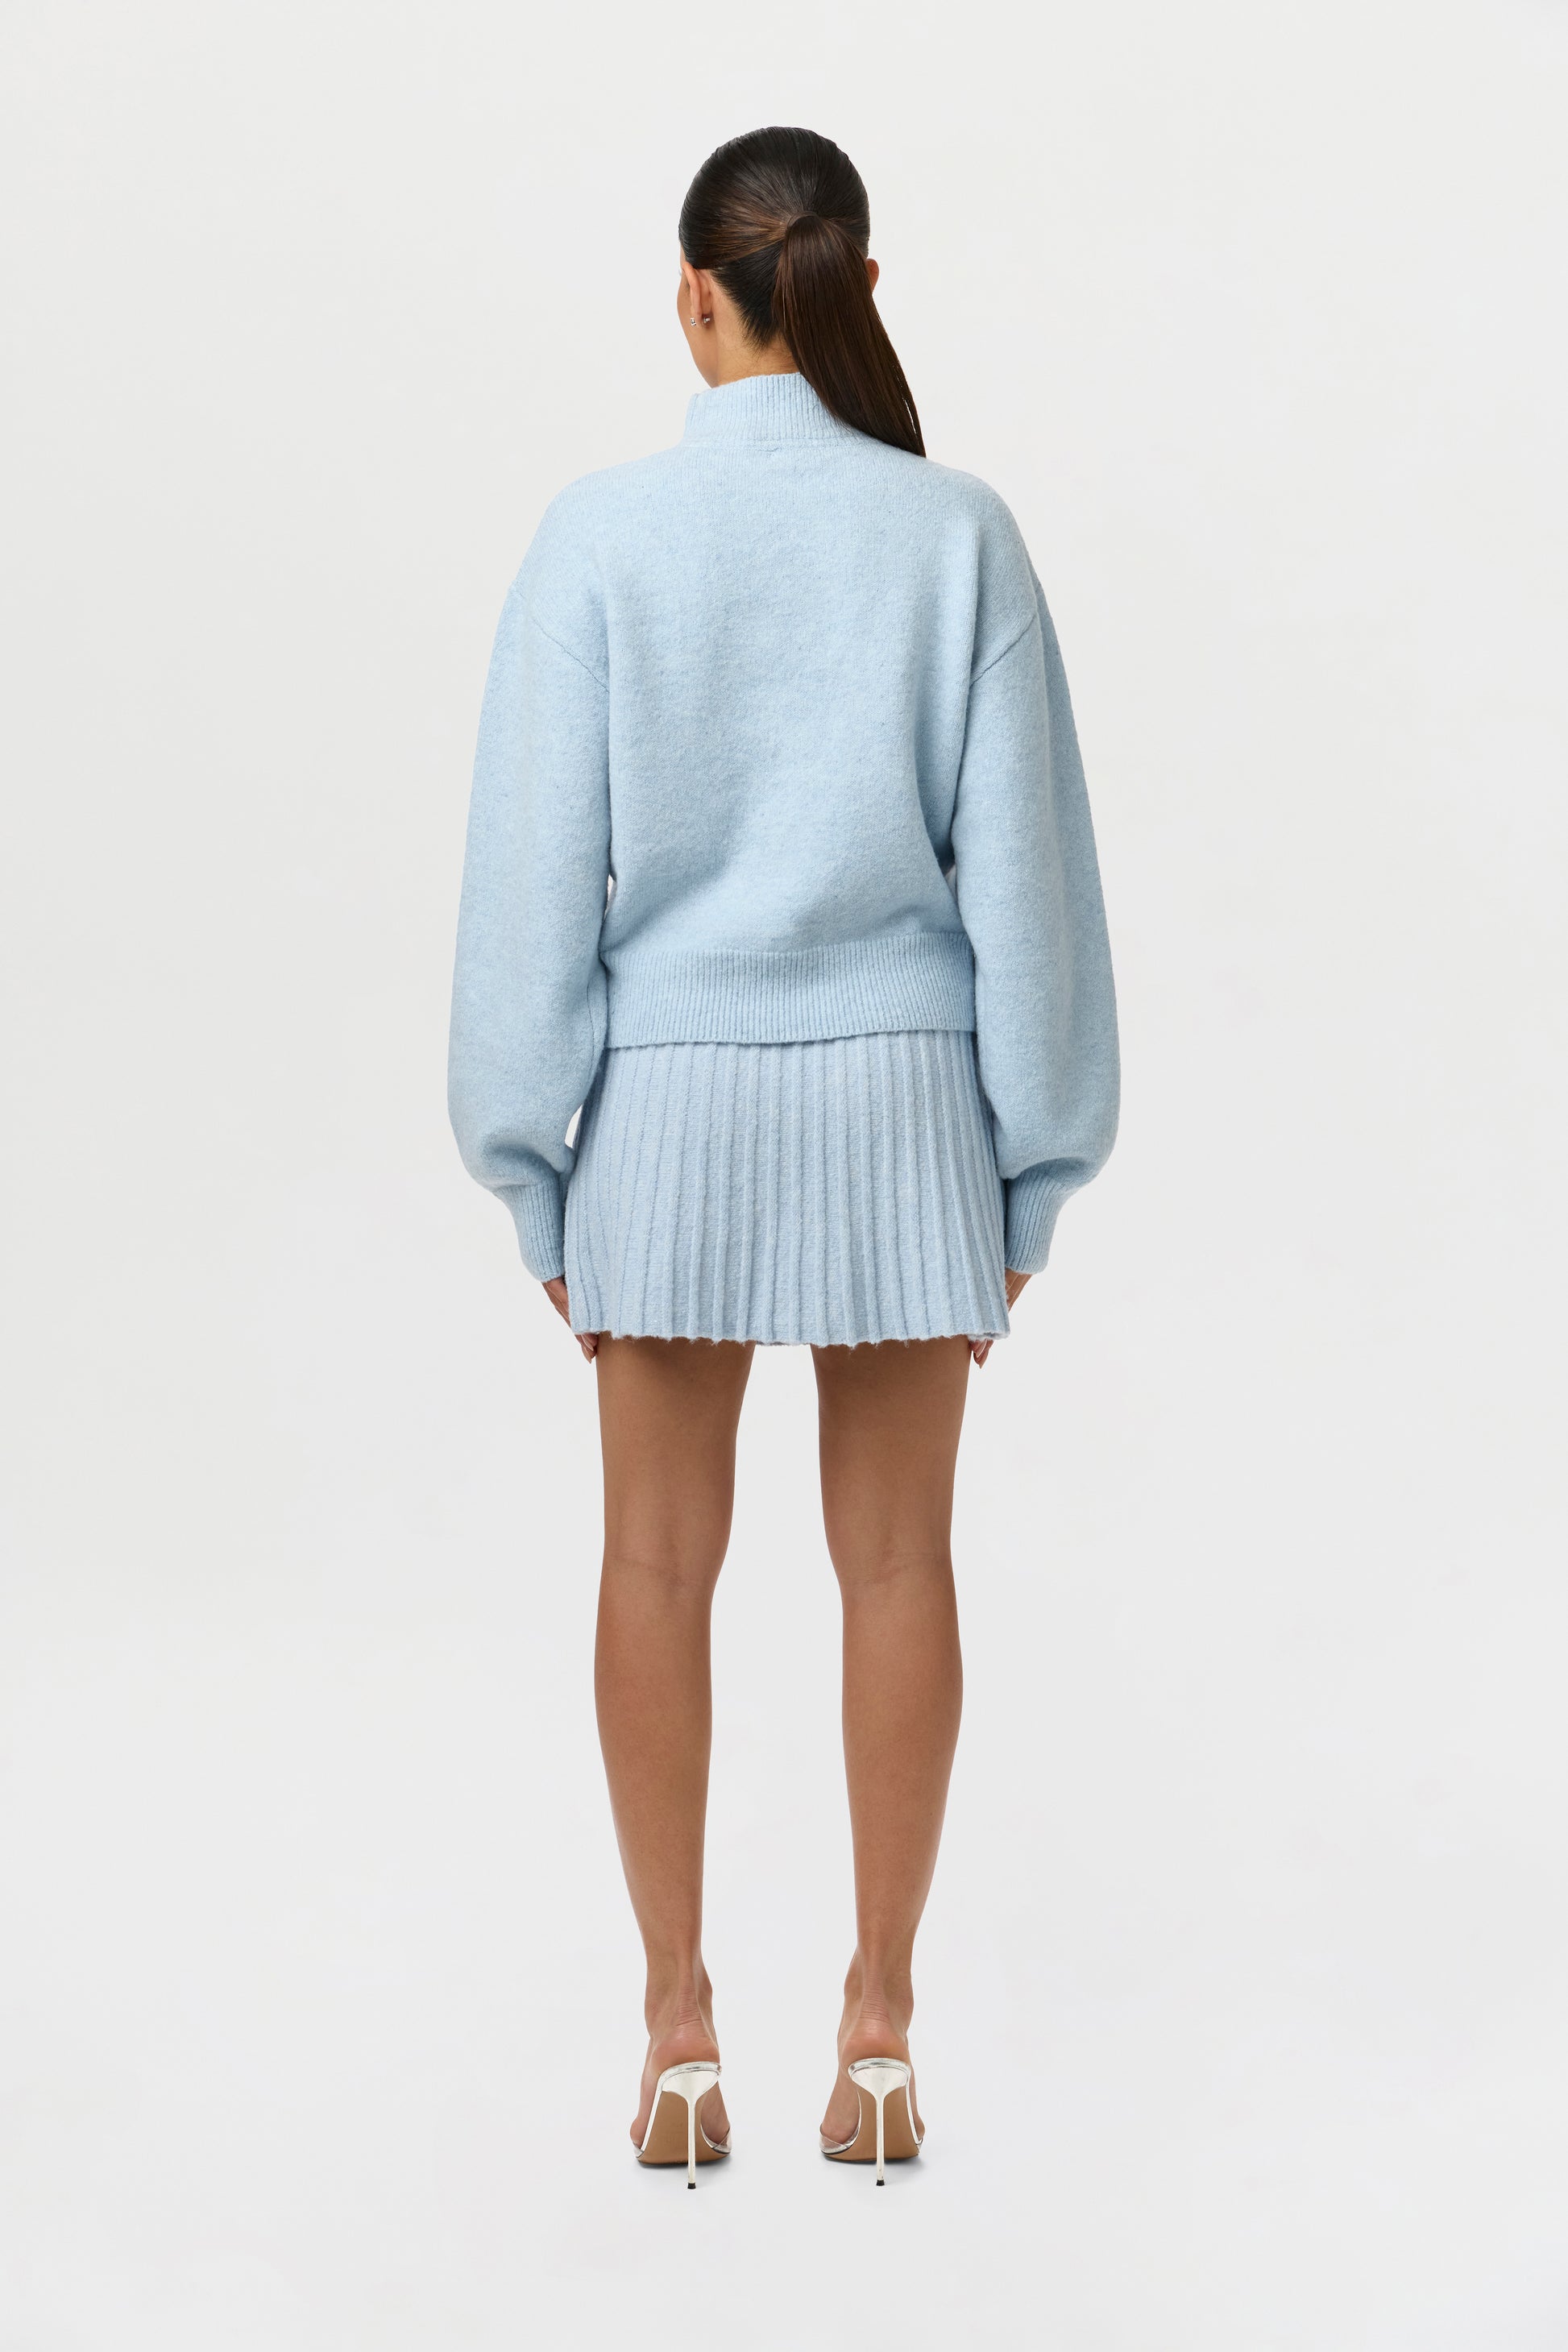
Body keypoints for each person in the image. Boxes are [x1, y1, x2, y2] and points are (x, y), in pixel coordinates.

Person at [448, 124, 1119, 2186]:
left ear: (692, 296)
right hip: (906, 1117)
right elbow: (1028, 886)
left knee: (654, 1564)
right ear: (858, 291)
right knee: (899, 1564)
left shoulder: (597, 537)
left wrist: (529, 1165)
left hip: (667, 1123)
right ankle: (883, 2030)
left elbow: (531, 888)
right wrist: (1031, 1169)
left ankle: (676, 2032)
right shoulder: (956, 534)